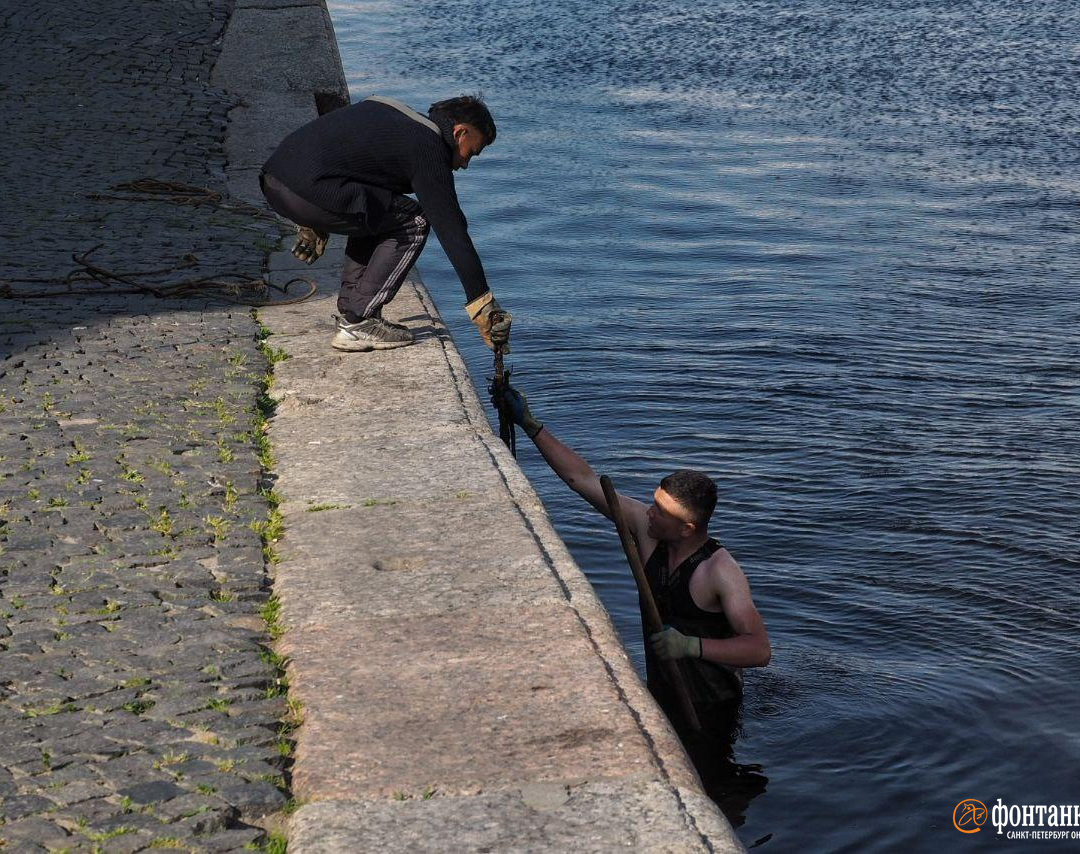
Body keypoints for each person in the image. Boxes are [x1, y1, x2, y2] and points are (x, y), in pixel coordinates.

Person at [497, 384, 771, 745]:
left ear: (688, 528)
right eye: (653, 502)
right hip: (662, 692)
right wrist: (531, 425)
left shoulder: (720, 571)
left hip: (710, 708)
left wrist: (691, 647)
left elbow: (759, 649)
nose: (649, 512)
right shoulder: (649, 530)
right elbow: (582, 480)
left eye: (660, 510)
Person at [259, 94, 511, 354]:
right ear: (459, 133)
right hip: (308, 193)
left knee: (382, 207)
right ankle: (359, 323)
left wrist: (315, 219)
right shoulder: (427, 147)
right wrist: (482, 303)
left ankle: (353, 309)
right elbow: (452, 231)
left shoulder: (389, 112)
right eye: (470, 153)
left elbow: (344, 159)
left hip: (275, 181)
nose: (465, 165)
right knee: (415, 220)